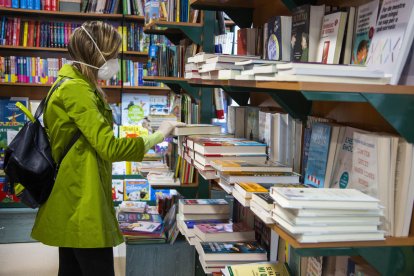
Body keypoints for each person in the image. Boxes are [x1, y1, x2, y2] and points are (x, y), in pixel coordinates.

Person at [30, 21, 182, 276]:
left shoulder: (73, 83)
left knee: (71, 269)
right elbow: (108, 147)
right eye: (112, 55)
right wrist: (158, 135)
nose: (115, 61)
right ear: (95, 54)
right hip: (82, 198)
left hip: (73, 194)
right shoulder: (77, 90)